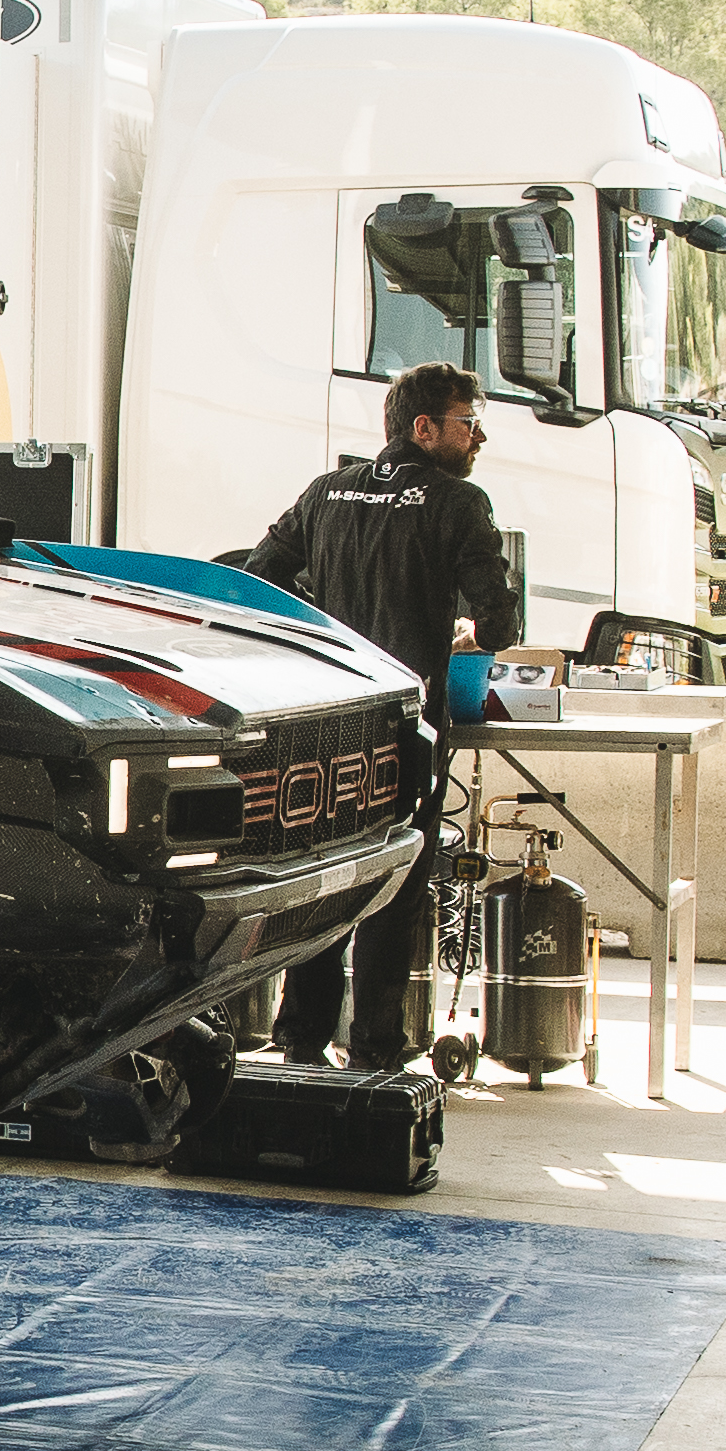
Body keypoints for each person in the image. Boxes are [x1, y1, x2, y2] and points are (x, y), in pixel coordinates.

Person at [242, 363, 518, 1071]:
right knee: (394, 890)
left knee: (319, 879)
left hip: (319, 725)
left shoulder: (325, 491)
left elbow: (253, 583)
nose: (479, 435)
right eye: (468, 421)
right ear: (424, 428)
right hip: (404, 729)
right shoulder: (459, 503)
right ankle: (375, 1050)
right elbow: (500, 621)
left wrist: (317, 634)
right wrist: (470, 637)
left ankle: (300, 1042)